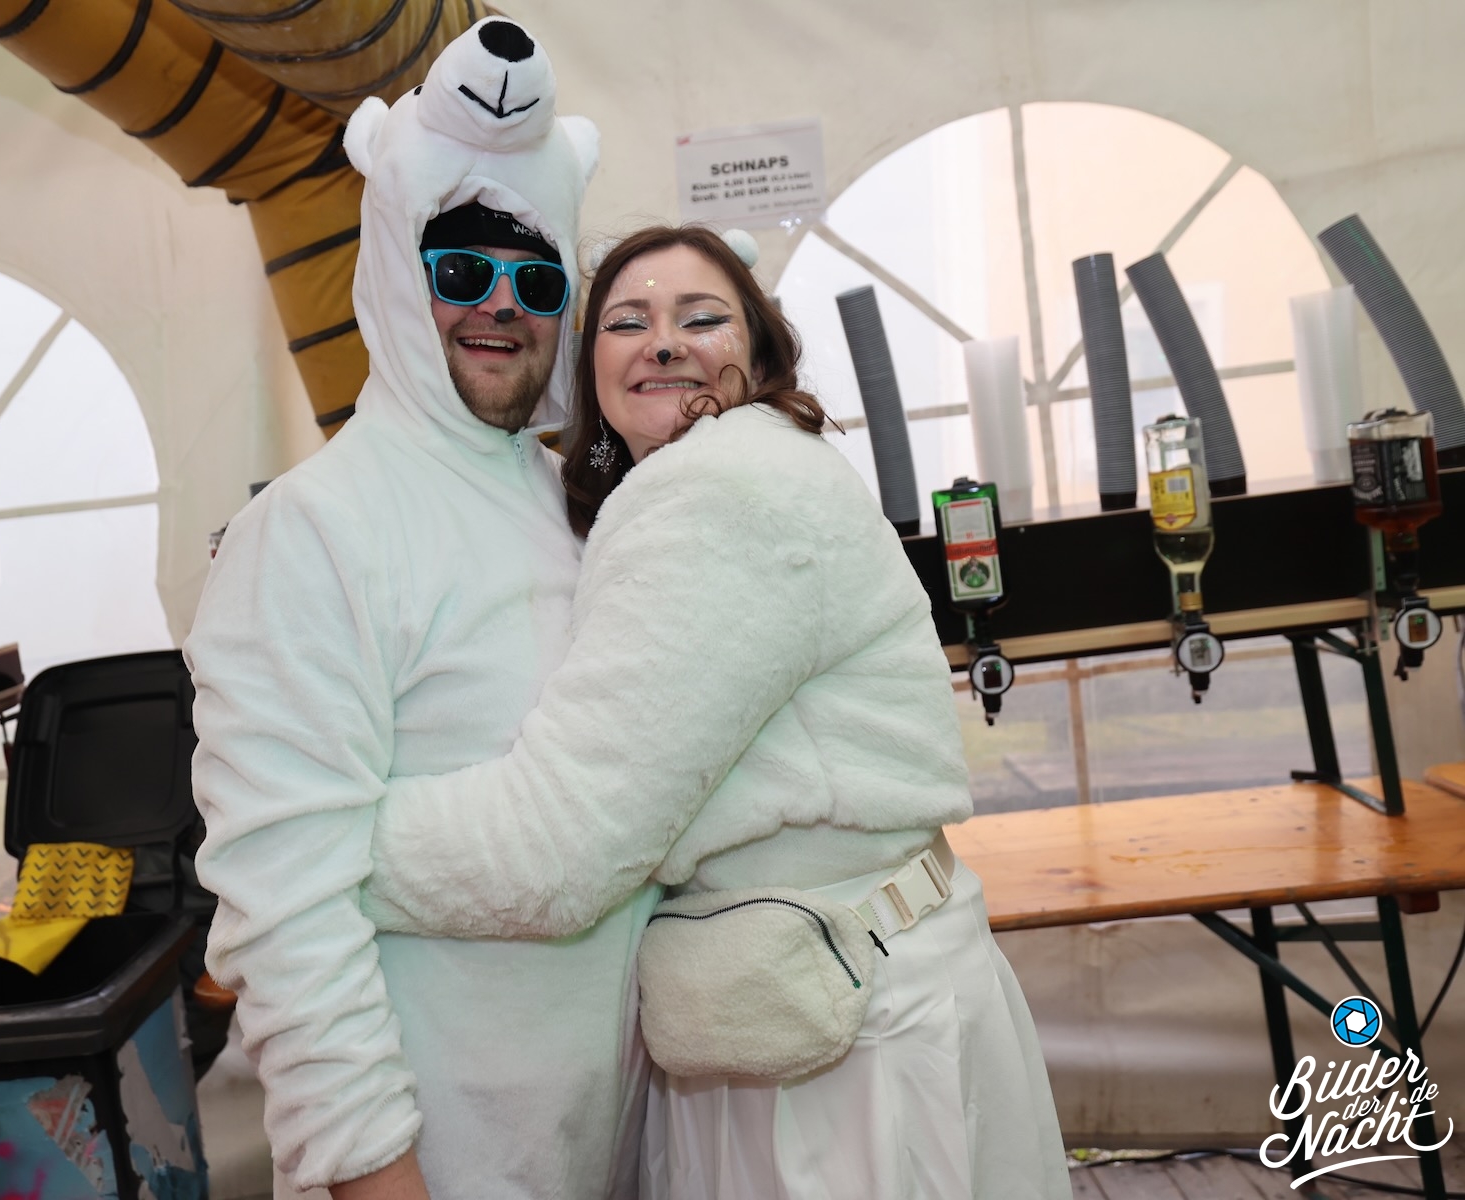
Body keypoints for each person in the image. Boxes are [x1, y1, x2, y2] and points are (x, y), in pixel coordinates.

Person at [360, 225, 1073, 1200]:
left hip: (840, 1044)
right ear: (591, 369)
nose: (664, 342)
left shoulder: (722, 493)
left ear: (760, 355)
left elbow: (559, 847)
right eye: (627, 322)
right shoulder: (736, 474)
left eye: (700, 319)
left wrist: (325, 843)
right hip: (829, 987)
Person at [184, 20, 654, 1200]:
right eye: (459, 272)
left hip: (605, 1145)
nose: (499, 306)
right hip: (434, 1165)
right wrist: (374, 1174)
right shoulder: (313, 530)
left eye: (536, 280)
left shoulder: (576, 503)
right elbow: (287, 904)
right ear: (398, 272)